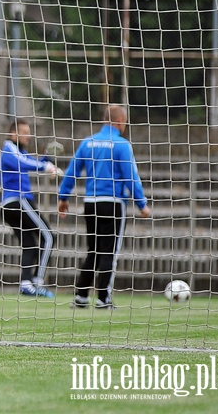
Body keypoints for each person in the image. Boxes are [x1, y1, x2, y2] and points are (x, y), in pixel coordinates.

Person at [57, 104, 151, 310]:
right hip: (113, 203)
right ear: (119, 121)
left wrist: (63, 197)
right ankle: (103, 299)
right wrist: (141, 203)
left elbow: (72, 170)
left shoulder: (87, 143)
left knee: (93, 251)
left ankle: (81, 296)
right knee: (109, 252)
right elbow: (130, 176)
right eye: (124, 121)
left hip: (90, 204)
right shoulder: (121, 145)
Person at [0, 118, 62, 298]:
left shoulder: (19, 151)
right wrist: (46, 166)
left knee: (30, 244)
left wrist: (46, 159)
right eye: (24, 133)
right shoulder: (8, 148)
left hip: (11, 205)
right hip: (17, 201)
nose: (28, 136)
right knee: (48, 237)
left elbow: (28, 161)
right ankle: (37, 282)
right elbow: (23, 163)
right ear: (13, 133)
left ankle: (26, 284)